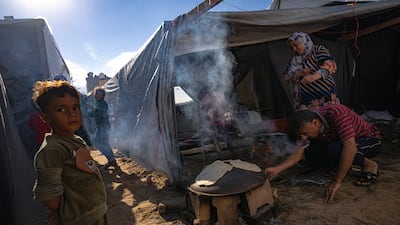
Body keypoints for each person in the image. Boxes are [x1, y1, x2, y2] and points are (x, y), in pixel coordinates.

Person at [265, 104, 381, 202]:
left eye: (305, 133)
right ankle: (336, 165)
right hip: (340, 141)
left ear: (315, 123)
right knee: (311, 149)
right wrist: (277, 169)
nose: (303, 137)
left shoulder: (337, 113)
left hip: (368, 140)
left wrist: (336, 181)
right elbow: (297, 154)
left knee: (335, 149)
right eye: (301, 134)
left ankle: (368, 164)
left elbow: (350, 147)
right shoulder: (308, 124)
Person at [32, 80, 108, 224]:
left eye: (75, 108)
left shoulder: (77, 140)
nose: (71, 114)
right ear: (45, 117)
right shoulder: (52, 150)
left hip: (97, 213)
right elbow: (51, 198)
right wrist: (69, 214)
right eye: (61, 109)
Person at [283, 32, 340, 110]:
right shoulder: (294, 61)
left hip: (324, 95)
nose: (294, 49)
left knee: (327, 118)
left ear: (304, 42)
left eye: (296, 45)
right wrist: (298, 74)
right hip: (305, 100)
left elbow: (330, 64)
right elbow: (286, 78)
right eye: (291, 47)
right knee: (307, 120)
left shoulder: (317, 50)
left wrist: (314, 76)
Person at [88, 87, 115, 167]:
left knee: (100, 143)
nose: (97, 95)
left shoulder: (103, 104)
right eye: (96, 93)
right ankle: (111, 159)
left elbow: (101, 112)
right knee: (103, 143)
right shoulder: (97, 103)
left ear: (103, 95)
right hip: (100, 127)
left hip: (104, 126)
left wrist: (93, 109)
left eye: (99, 94)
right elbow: (92, 113)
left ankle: (111, 159)